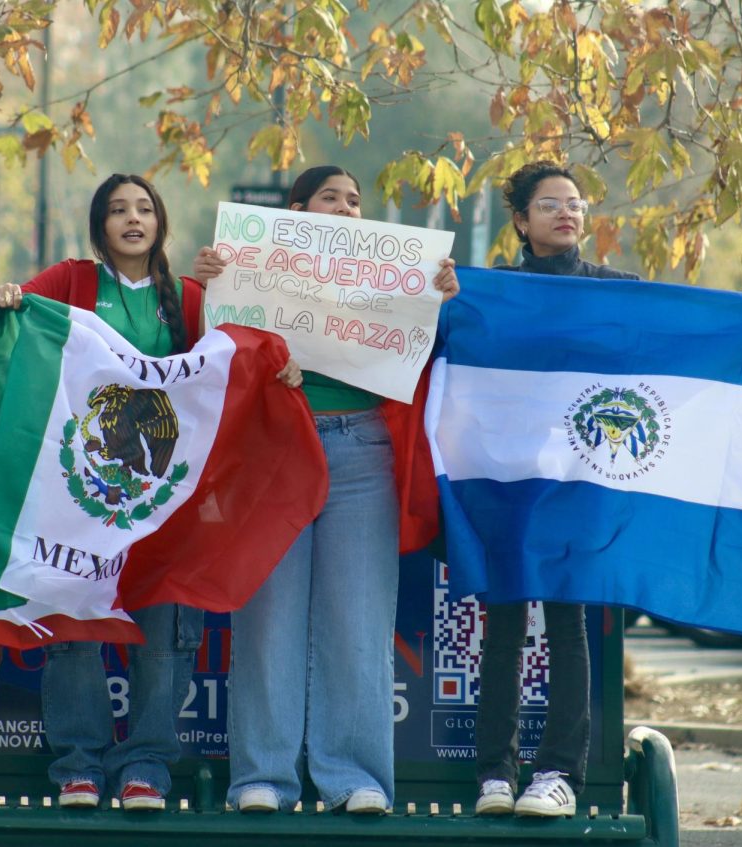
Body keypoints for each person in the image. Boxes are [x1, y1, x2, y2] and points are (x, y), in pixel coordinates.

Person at [0, 173, 299, 811]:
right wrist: (6, 298)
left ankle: (146, 767)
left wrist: (271, 350)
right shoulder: (71, 282)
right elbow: (6, 315)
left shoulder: (185, 296)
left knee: (165, 625)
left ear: (160, 224)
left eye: (144, 209)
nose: (132, 218)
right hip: (81, 496)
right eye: (118, 210)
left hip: (165, 499)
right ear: (99, 225)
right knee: (76, 623)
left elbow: (236, 352)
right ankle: (78, 765)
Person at [191, 165, 459, 815]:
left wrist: (439, 298)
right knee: (268, 616)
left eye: (355, 199)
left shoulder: (392, 279)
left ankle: (355, 778)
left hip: (363, 451)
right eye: (331, 197)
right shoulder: (248, 268)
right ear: (297, 210)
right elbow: (215, 352)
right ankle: (263, 776)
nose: (346, 207)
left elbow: (423, 360)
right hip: (275, 450)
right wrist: (208, 286)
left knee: (359, 619)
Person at [471, 160, 639, 819]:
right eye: (549, 204)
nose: (566, 212)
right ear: (520, 219)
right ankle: (495, 773)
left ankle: (559, 773)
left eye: (574, 203)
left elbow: (696, 321)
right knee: (505, 624)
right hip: (508, 478)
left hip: (581, 480)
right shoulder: (492, 291)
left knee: (570, 627)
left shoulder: (614, 291)